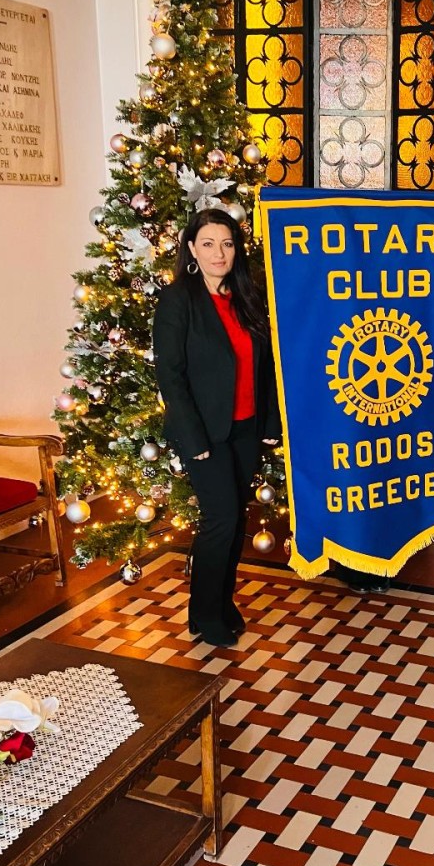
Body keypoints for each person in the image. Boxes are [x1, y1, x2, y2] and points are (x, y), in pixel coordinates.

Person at [153, 207, 277, 648]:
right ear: (192, 249)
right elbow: (170, 375)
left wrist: (268, 423)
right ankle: (206, 615)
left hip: (245, 429)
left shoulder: (247, 296)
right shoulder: (178, 300)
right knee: (220, 520)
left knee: (235, 517)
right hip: (205, 433)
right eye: (208, 244)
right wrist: (193, 439)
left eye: (226, 244)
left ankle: (221, 605)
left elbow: (267, 365)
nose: (218, 253)